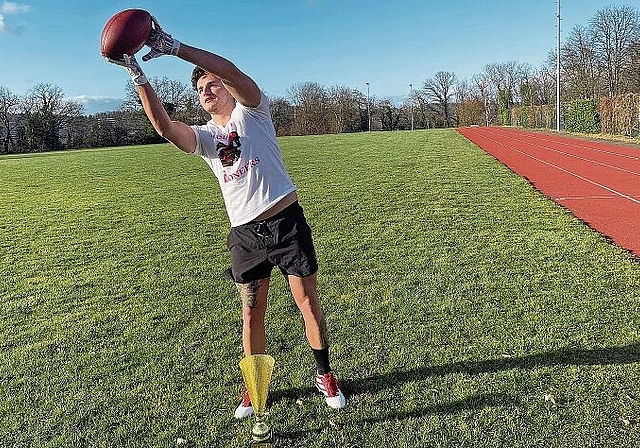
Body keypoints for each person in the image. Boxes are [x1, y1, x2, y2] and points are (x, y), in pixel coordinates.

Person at [106, 16, 345, 418]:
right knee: (251, 313)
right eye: (199, 89)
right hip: (245, 235)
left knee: (306, 302)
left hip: (285, 222)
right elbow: (165, 128)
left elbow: (231, 71)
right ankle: (254, 386)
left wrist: (175, 48)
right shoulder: (203, 138)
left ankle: (325, 375)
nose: (206, 91)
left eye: (211, 84)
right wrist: (138, 75)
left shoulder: (253, 112)